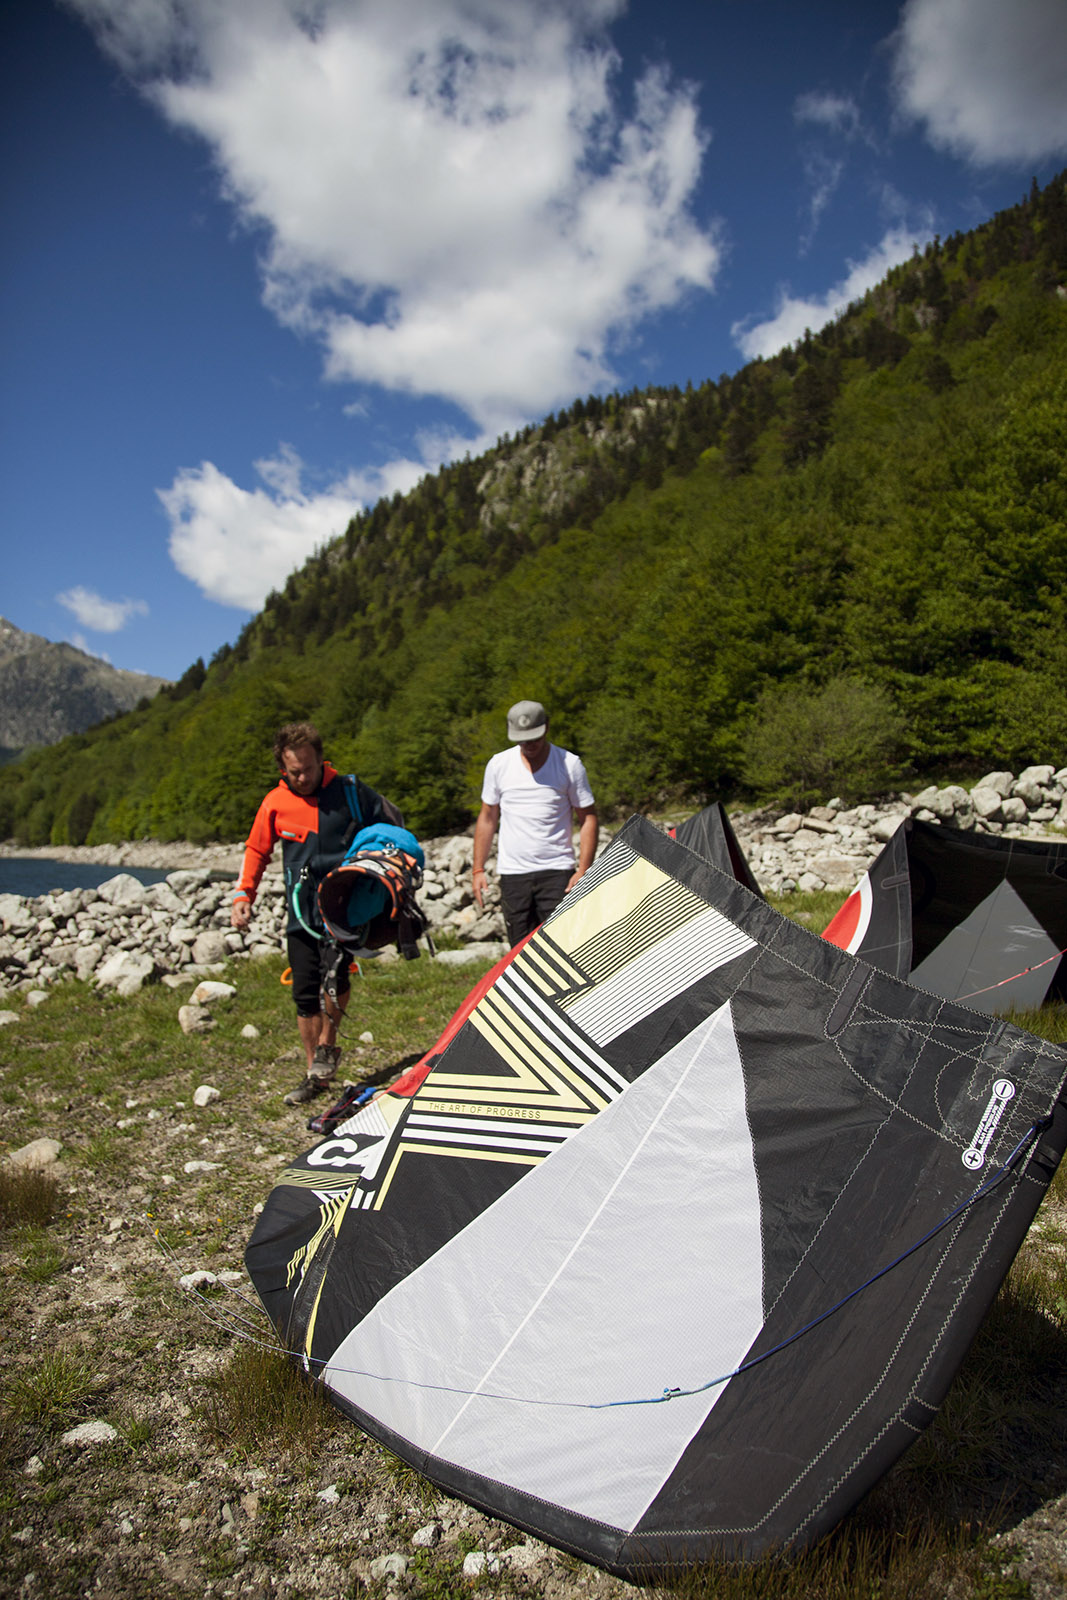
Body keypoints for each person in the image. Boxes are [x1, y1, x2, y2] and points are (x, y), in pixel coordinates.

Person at [231, 722, 400, 1106]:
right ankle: (315, 1073)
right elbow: (257, 850)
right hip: (299, 910)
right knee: (304, 992)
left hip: (343, 906)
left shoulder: (351, 792)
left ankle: (328, 1045)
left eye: (310, 767)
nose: (304, 777)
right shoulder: (275, 803)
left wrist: (384, 878)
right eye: (295, 772)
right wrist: (245, 894)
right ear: (282, 770)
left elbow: (392, 827)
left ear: (321, 759)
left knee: (335, 978)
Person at [472, 700, 597, 947]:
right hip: (513, 874)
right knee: (519, 951)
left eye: (534, 738)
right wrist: (478, 869)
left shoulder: (569, 764)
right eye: (522, 739)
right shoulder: (499, 764)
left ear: (546, 728)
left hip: (557, 872)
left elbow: (588, 818)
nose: (528, 745)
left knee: (563, 945)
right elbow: (487, 817)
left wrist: (583, 869)